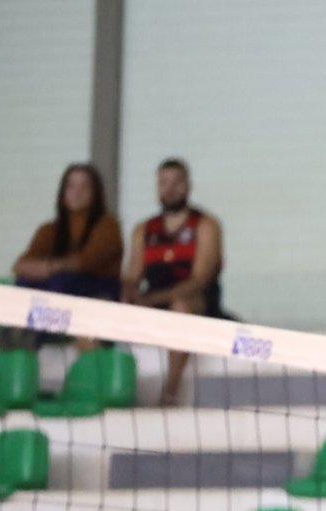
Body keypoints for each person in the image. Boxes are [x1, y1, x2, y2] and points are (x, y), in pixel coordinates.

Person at [119, 158, 225, 404]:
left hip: (197, 303)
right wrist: (130, 294)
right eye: (163, 182)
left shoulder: (206, 225)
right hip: (153, 302)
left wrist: (151, 299)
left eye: (177, 182)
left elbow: (200, 279)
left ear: (188, 186)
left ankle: (170, 391)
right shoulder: (144, 229)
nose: (170, 189)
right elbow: (132, 276)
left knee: (181, 305)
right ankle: (117, 388)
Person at [12, 163, 123, 301]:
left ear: (95, 192)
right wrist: (45, 268)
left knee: (61, 281)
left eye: (85, 186)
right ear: (63, 192)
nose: (77, 192)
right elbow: (20, 265)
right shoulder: (49, 229)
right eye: (71, 186)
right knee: (22, 283)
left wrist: (52, 267)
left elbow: (88, 261)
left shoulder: (108, 225)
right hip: (59, 283)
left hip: (98, 287)